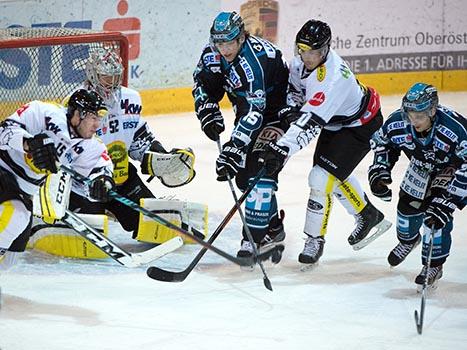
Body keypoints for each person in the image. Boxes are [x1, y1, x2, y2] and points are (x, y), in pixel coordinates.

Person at [259, 19, 391, 267]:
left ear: (327, 48)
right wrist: (290, 109)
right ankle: (367, 214)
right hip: (336, 123)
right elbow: (296, 91)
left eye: (315, 51)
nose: (307, 56)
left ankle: (314, 239)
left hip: (360, 125)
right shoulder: (301, 60)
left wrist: (281, 150)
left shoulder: (333, 79)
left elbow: (309, 123)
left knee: (320, 178)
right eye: (303, 49)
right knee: (331, 174)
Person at [67, 48, 196, 240]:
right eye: (105, 77)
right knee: (88, 238)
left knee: (155, 226)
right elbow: (68, 150)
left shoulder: (130, 98)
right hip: (88, 184)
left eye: (116, 76)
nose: (112, 82)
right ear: (93, 75)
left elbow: (137, 136)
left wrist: (158, 156)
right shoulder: (77, 104)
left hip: (122, 177)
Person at [192, 11, 289, 258]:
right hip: (248, 110)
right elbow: (201, 83)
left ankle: (254, 238)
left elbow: (257, 112)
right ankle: (274, 228)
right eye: (219, 42)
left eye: (229, 43)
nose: (224, 49)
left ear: (241, 38)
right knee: (243, 177)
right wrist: (207, 110)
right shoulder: (213, 52)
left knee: (260, 168)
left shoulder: (253, 63)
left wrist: (235, 145)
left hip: (278, 112)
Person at [0, 89, 114, 270]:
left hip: (24, 189)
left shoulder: (91, 146)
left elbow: (98, 173)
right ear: (77, 115)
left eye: (100, 118)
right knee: (17, 215)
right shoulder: (43, 112)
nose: (97, 125)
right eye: (93, 117)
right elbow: (3, 131)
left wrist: (100, 185)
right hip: (3, 167)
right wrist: (29, 144)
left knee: (10, 259)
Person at [368, 82, 466, 287]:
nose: (413, 121)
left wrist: (449, 201)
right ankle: (408, 240)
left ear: (432, 111)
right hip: (421, 167)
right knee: (406, 210)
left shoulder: (455, 129)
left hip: (449, 170)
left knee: (436, 216)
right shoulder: (398, 122)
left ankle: (433, 265)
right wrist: (379, 170)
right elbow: (383, 143)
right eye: (410, 114)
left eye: (419, 116)